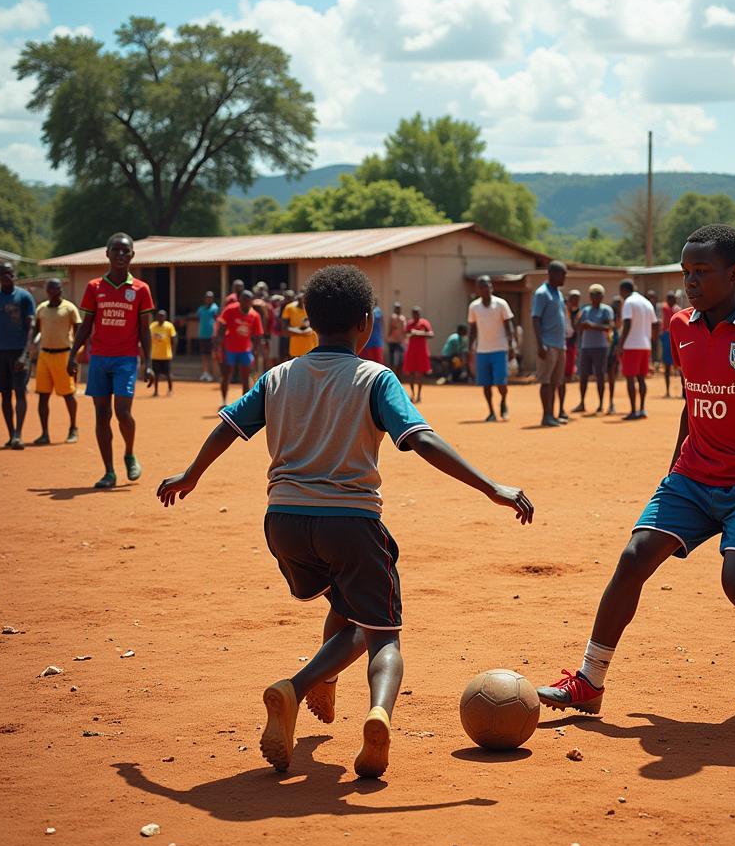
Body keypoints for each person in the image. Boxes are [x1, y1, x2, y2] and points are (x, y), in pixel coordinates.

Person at [157, 264, 533, 779]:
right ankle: (352, 704)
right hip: (350, 522)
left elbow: (227, 427)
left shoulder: (278, 376)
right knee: (382, 635)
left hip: (284, 523)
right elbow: (419, 438)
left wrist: (191, 474)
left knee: (345, 603)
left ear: (309, 320)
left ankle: (320, 684)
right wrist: (492, 487)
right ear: (367, 321)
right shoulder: (374, 378)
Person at [536, 224, 735, 717]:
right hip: (693, 475)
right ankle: (590, 680)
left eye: (702, 272)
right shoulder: (681, 326)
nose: (691, 282)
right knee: (635, 555)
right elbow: (692, 402)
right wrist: (673, 469)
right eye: (686, 272)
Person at [67, 233, 155, 488]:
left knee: (123, 412)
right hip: (99, 359)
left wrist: (148, 362)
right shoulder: (95, 287)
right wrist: (73, 354)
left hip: (126, 358)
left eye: (125, 251)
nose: (120, 255)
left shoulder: (140, 289)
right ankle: (109, 472)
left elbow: (144, 329)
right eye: (115, 250)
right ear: (107, 254)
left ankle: (129, 453)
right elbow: (86, 326)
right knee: (101, 414)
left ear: (132, 256)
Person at [0, 261, 36, 449]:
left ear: (15, 275)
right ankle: (10, 433)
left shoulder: (25, 297)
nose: (8, 276)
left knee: (20, 392)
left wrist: (24, 354)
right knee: (5, 395)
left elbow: (31, 328)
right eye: (4, 273)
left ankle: (18, 435)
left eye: (11, 273)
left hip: (18, 352)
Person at [32, 277, 80, 445]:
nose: (54, 292)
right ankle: (44, 433)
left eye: (57, 289)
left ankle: (73, 428)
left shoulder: (69, 308)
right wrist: (32, 347)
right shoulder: (41, 309)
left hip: (63, 355)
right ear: (47, 291)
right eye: (51, 289)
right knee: (43, 396)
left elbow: (78, 330)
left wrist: (75, 355)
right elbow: (36, 329)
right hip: (44, 355)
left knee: (68, 394)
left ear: (61, 290)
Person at [468, 275, 516, 423]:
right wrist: (470, 347)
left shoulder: (501, 304)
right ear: (477, 290)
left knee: (501, 383)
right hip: (482, 350)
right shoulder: (474, 307)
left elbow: (509, 326)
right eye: (481, 286)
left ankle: (503, 401)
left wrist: (512, 345)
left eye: (487, 286)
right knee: (486, 384)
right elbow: (473, 329)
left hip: (499, 349)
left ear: (491, 287)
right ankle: (491, 412)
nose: (485, 289)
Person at [531, 261, 568, 427]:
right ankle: (546, 416)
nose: (564, 278)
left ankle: (552, 414)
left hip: (560, 345)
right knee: (546, 382)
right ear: (552, 274)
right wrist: (540, 344)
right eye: (562, 275)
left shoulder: (558, 293)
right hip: (548, 344)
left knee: (555, 382)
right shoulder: (542, 293)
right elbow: (535, 319)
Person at [618, 278, 657, 421]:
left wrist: (620, 345)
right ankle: (642, 409)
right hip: (645, 345)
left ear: (624, 290)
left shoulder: (629, 302)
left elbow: (627, 323)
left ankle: (633, 411)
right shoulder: (646, 302)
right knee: (641, 378)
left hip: (631, 345)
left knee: (630, 378)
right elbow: (655, 323)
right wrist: (652, 341)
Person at [216, 289, 265, 406]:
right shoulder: (230, 310)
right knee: (227, 375)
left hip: (245, 350)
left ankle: (244, 404)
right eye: (244, 302)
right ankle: (224, 401)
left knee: (245, 377)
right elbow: (221, 328)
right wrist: (218, 346)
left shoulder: (255, 315)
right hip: (230, 349)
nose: (247, 304)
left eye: (249, 302)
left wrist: (256, 350)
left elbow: (258, 335)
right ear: (240, 301)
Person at [572, 284, 613, 414]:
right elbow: (576, 327)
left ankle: (601, 404)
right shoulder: (585, 310)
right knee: (583, 375)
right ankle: (582, 402)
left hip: (600, 347)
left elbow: (608, 327)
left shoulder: (606, 310)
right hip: (586, 347)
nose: (595, 297)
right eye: (593, 295)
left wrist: (591, 326)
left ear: (602, 296)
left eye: (598, 295)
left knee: (600, 375)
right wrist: (579, 323)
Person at [558, 289, 581, 421]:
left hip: (571, 345)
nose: (575, 301)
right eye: (573, 298)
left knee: (566, 376)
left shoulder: (578, 312)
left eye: (577, 298)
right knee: (559, 377)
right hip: (561, 343)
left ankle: (561, 407)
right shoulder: (562, 310)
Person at [402, 306, 433, 403]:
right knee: (411, 374)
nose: (415, 315)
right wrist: (411, 334)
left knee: (420, 374)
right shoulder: (410, 324)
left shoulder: (424, 323)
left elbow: (431, 334)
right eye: (414, 313)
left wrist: (418, 333)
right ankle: (412, 394)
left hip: (421, 352)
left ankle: (419, 395)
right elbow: (406, 334)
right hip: (411, 351)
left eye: (417, 313)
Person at [282, 290, 318, 362]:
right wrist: (302, 332)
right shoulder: (289, 308)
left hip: (312, 348)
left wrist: (308, 330)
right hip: (296, 350)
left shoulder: (313, 307)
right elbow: (284, 329)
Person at [149, 309, 177, 397]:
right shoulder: (152, 326)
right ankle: (156, 391)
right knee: (156, 375)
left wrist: (173, 351)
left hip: (166, 355)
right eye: (159, 315)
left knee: (168, 374)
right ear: (156, 317)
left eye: (162, 316)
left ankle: (170, 390)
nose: (160, 317)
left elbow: (173, 339)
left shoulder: (169, 326)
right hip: (155, 355)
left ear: (165, 317)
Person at [660, 291, 682, 399]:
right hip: (666, 336)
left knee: (680, 365)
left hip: (675, 336)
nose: (670, 301)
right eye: (668, 299)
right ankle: (667, 390)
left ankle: (683, 391)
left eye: (671, 299)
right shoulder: (664, 309)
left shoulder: (677, 310)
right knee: (667, 365)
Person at [196, 291, 219, 382]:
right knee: (204, 355)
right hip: (202, 335)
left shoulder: (215, 308)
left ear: (212, 299)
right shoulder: (201, 309)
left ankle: (214, 374)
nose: (208, 299)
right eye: (207, 297)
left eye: (210, 297)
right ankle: (205, 373)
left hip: (212, 336)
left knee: (213, 355)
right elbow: (198, 317)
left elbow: (218, 320)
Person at [606, 295, 622, 415]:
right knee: (610, 376)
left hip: (618, 349)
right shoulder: (610, 317)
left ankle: (611, 402)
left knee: (613, 376)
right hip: (610, 349)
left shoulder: (624, 317)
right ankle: (609, 402)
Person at [387, 302, 407, 371]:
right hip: (393, 341)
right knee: (393, 360)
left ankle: (398, 375)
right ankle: (394, 374)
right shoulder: (395, 317)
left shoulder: (401, 318)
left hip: (399, 342)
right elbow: (391, 328)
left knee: (399, 360)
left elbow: (404, 330)